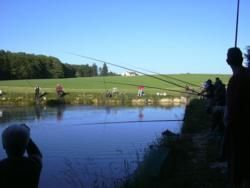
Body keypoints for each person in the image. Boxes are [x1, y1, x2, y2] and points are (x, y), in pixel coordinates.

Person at [224, 47, 250, 187]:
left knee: (239, 165)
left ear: (228, 61)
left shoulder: (235, 80)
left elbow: (231, 113)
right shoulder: (248, 73)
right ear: (242, 59)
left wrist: (226, 119)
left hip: (240, 129)